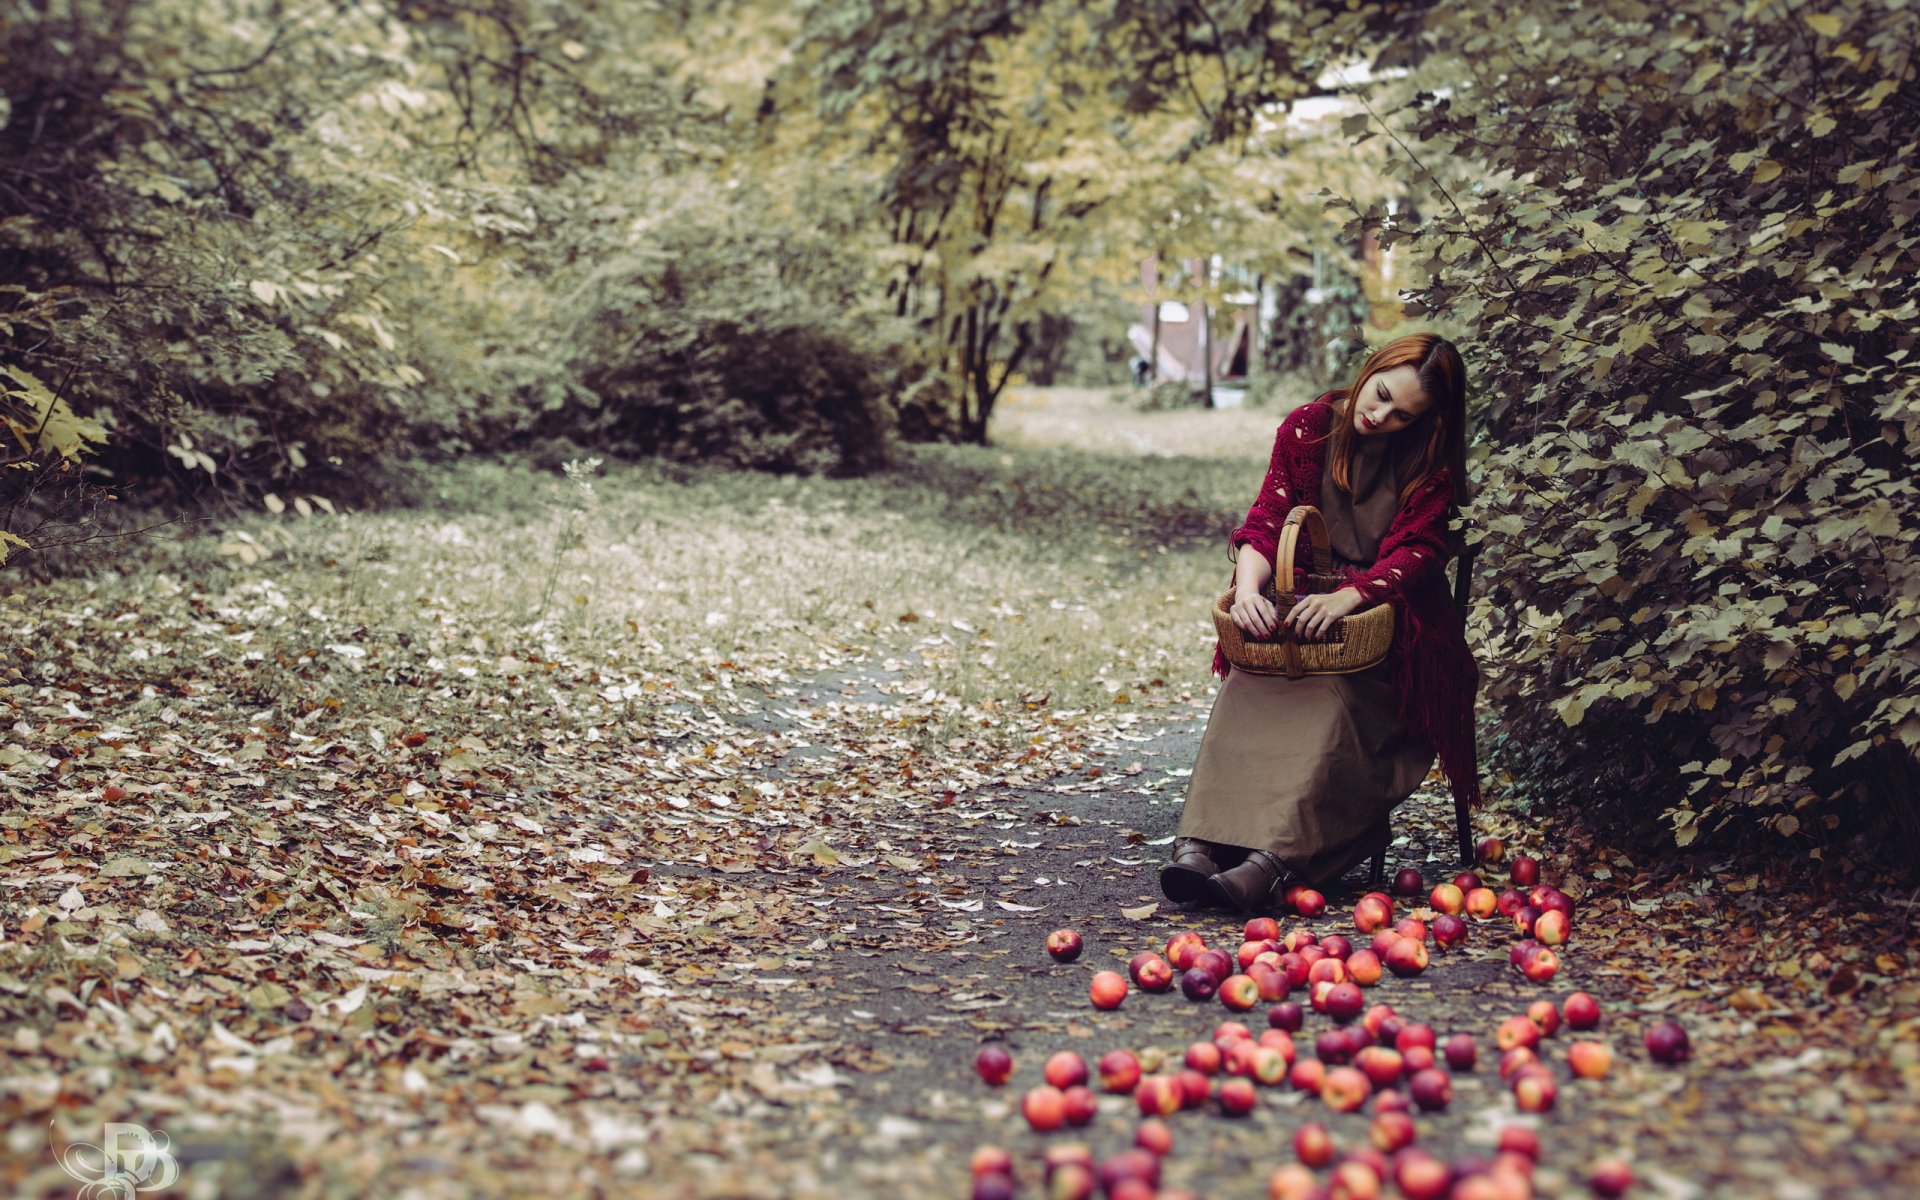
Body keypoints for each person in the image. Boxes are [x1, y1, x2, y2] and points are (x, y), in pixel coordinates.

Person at [1159, 333, 1482, 913]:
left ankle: (1273, 865)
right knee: (1248, 684)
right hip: (1302, 624)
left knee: (1332, 702)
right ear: (1373, 368)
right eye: (1380, 394)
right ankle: (1199, 846)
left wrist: (1352, 596)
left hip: (1391, 643)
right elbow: (1268, 517)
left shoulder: (1425, 466)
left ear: (1423, 421)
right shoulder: (1309, 427)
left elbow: (1419, 552)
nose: (1378, 415)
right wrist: (1251, 588)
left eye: (1400, 415)